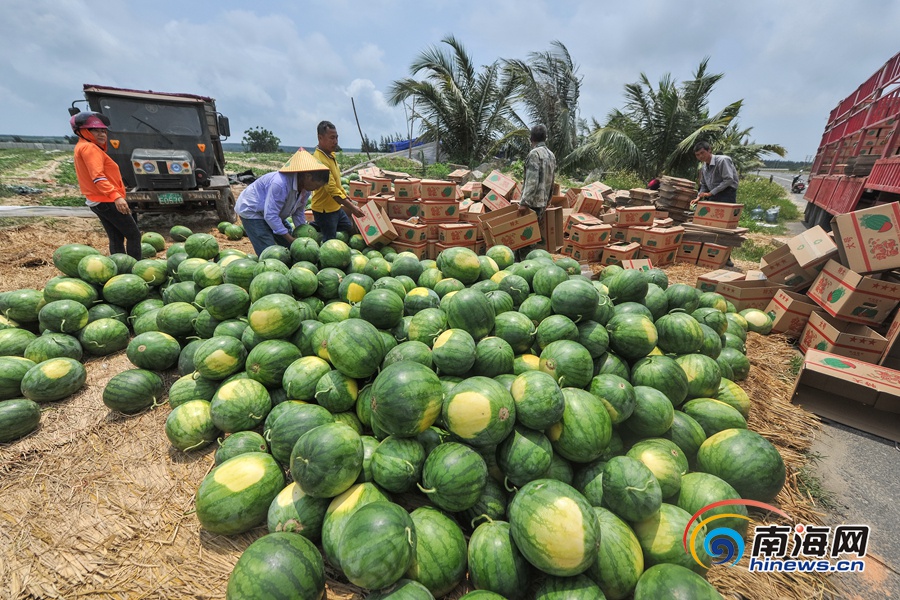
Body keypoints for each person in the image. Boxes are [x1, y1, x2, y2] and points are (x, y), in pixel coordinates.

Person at [71, 111, 142, 260]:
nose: (102, 134)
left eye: (103, 131)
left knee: (116, 237)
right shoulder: (89, 148)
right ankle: (135, 268)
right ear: (83, 131)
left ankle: (120, 269)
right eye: (95, 130)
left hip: (97, 200)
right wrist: (116, 196)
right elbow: (98, 177)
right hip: (106, 200)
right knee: (133, 235)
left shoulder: (82, 147)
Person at [234, 148, 330, 255]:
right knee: (270, 252)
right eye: (317, 185)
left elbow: (298, 213)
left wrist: (304, 235)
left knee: (289, 248)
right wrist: (291, 240)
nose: (317, 189)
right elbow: (270, 215)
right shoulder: (280, 184)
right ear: (308, 177)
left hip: (273, 212)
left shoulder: (306, 189)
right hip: (253, 210)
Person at [311, 121, 364, 241]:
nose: (335, 141)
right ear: (320, 138)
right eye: (331, 138)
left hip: (335, 207)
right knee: (330, 240)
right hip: (325, 210)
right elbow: (332, 189)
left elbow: (337, 183)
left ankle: (314, 226)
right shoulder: (320, 161)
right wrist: (353, 208)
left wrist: (346, 197)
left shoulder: (330, 155)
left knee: (346, 226)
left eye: (336, 138)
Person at [692, 141, 739, 266]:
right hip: (713, 195)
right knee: (710, 227)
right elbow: (703, 185)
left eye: (702, 153)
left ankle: (726, 258)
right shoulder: (704, 167)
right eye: (698, 155)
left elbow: (729, 180)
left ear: (709, 150)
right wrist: (699, 196)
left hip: (726, 194)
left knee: (725, 229)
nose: (701, 156)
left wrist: (711, 193)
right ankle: (709, 256)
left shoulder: (723, 160)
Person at [516, 124, 557, 259]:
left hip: (532, 203)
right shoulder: (551, 155)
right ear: (545, 138)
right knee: (532, 235)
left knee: (523, 238)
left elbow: (531, 180)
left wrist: (524, 203)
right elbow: (552, 180)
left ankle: (524, 265)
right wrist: (549, 199)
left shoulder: (534, 154)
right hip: (542, 203)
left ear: (531, 138)